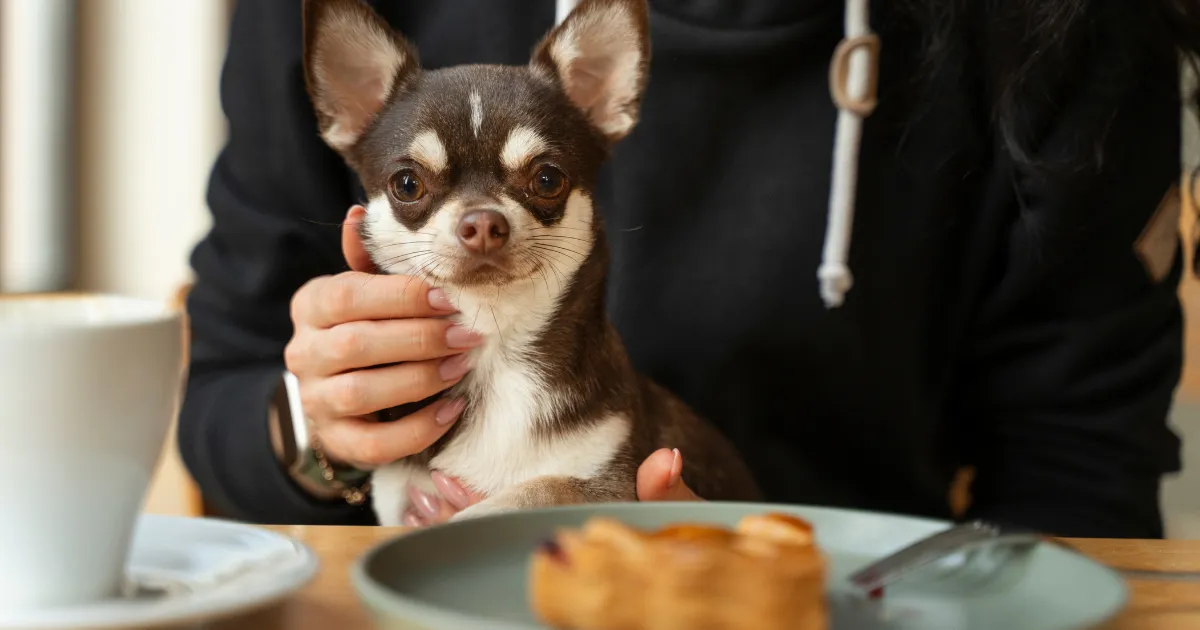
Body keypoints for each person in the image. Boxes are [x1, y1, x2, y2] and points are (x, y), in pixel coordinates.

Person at [179, 0, 1200, 537]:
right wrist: (324, 431)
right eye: (417, 188)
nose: (481, 226)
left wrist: (789, 594)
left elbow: (1081, 482)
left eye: (535, 186)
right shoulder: (348, 43)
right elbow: (220, 395)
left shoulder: (1069, 26)